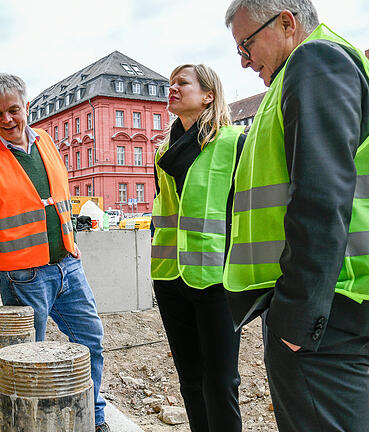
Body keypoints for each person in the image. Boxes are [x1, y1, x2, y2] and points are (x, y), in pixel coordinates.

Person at [223, 1, 369, 430]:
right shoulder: (307, 70)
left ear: (286, 23)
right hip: (333, 300)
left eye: (247, 44)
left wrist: (296, 321)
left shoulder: (315, 62)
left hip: (329, 306)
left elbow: (320, 197)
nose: (243, 60)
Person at [0, 73, 110, 432]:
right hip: (24, 276)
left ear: (27, 106)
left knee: (91, 341)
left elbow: (57, 203)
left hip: (67, 267)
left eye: (13, 110)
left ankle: (94, 417)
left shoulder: (46, 144)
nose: (7, 120)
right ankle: (30, 425)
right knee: (27, 362)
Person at [151, 64, 245, 432]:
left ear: (208, 95)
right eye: (170, 83)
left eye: (182, 83)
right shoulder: (163, 152)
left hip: (216, 280)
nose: (172, 88)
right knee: (190, 380)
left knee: (221, 383)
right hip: (170, 277)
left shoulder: (234, 143)